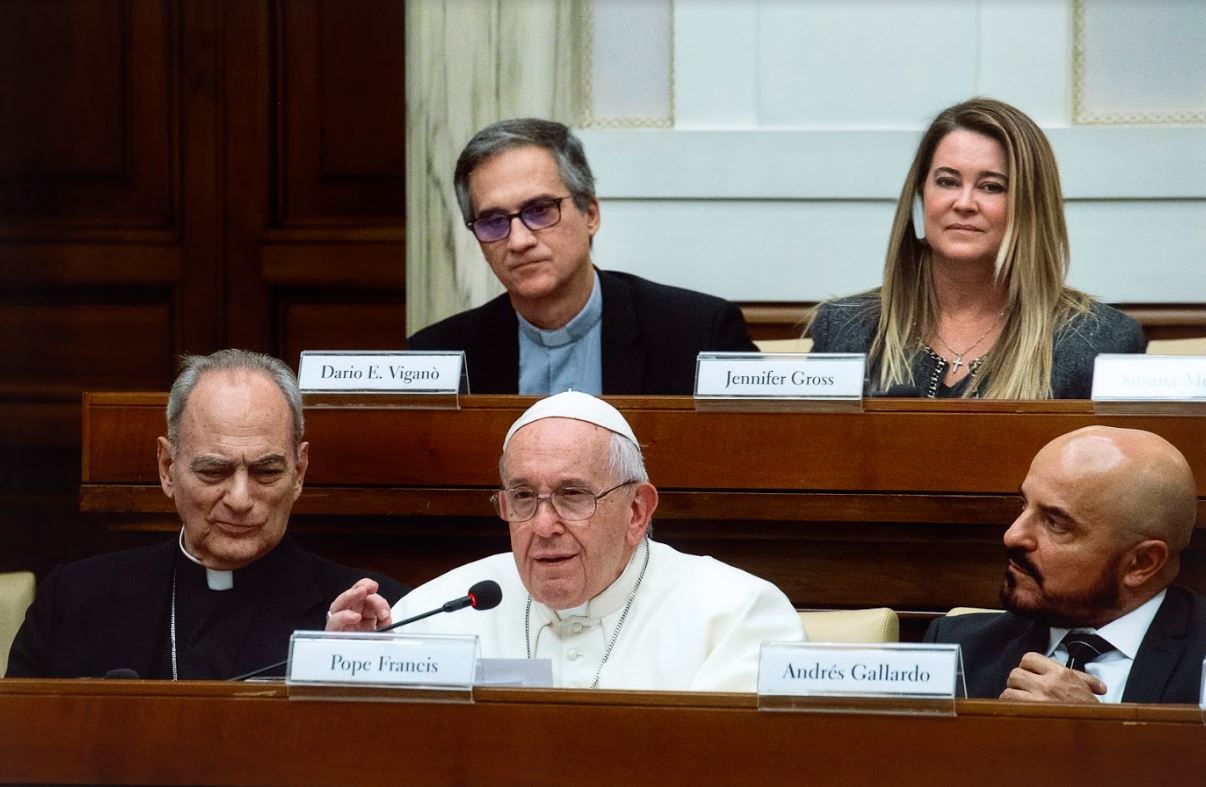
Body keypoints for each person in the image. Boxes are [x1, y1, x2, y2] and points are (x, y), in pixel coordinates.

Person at [327, 391, 803, 691]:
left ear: (637, 511)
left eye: (572, 495)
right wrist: (349, 670)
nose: (543, 525)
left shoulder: (738, 616)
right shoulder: (443, 610)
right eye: (523, 497)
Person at [6, 349, 407, 679]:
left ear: (299, 472)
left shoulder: (378, 616)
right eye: (214, 471)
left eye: (266, 472)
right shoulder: (74, 603)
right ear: (167, 468)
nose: (240, 498)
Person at [809, 97, 1145, 399]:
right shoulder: (846, 329)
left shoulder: (1096, 341)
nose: (964, 203)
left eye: (991, 187)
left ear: (1032, 206)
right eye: (947, 181)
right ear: (921, 194)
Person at [407, 118, 758, 395]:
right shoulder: (442, 355)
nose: (518, 240)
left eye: (540, 209)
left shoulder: (698, 334)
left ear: (590, 214)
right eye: (493, 221)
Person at [925, 426, 1204, 703]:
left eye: (1055, 523)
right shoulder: (957, 647)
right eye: (1023, 505)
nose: (1013, 536)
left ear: (1142, 563)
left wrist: (1094, 736)